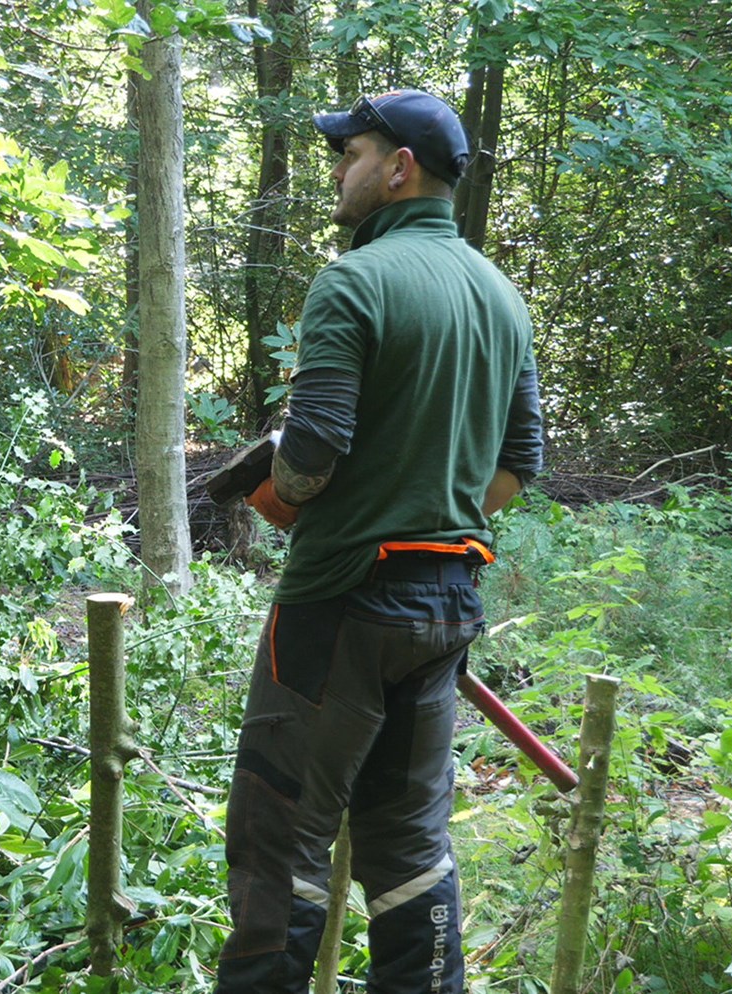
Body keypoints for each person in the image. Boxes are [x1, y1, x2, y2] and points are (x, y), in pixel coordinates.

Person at [218, 89, 544, 993]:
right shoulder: (499, 294)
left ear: (398, 167)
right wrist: (429, 509)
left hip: (340, 604)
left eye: (349, 151)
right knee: (408, 846)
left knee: (278, 835)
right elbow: (519, 464)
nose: (337, 167)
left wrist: (275, 490)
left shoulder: (353, 280)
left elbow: (313, 451)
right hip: (446, 604)